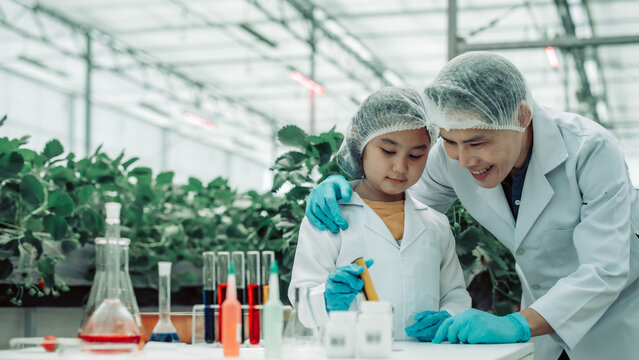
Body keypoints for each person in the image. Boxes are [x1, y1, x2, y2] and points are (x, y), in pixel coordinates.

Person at [305, 52, 639, 360]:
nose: (464, 160)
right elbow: (405, 210)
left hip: (618, 313)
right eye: (449, 141)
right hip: (540, 322)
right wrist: (350, 191)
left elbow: (605, 269)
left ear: (521, 116)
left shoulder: (590, 151)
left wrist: (517, 324)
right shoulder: (449, 158)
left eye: (477, 142)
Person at [288, 86, 471, 341]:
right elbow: (302, 300)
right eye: (387, 151)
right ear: (360, 145)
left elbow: (455, 293)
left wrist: (449, 314)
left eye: (416, 155)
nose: (400, 166)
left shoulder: (436, 224)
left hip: (423, 354)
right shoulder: (328, 218)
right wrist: (327, 298)